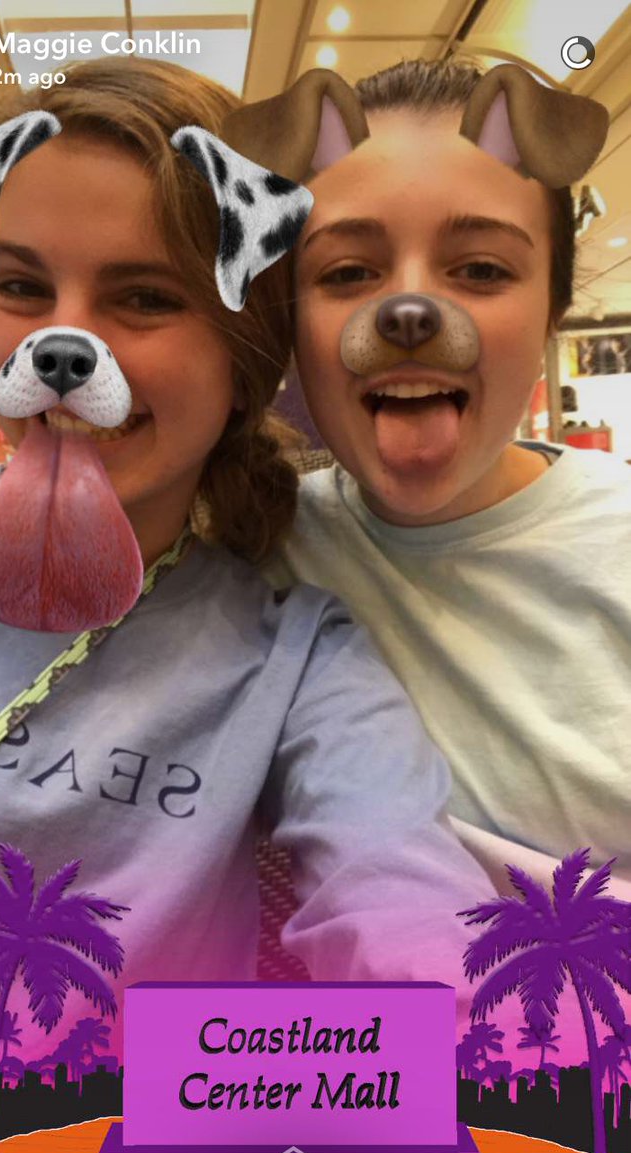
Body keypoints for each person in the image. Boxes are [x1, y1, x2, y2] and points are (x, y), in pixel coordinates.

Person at [0, 57, 494, 1069]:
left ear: (243, 356)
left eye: (145, 298)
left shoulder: (294, 661)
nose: (63, 340)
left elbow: (411, 918)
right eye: (21, 287)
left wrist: (485, 1058)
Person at [266, 58, 631, 893]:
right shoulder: (259, 546)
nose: (408, 313)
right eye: (346, 273)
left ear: (552, 312)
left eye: (481, 269)